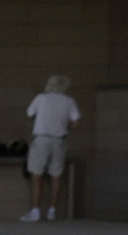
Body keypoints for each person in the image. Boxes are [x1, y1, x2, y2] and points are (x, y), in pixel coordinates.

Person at [21, 72, 82, 222]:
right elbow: (76, 122)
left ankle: (35, 210)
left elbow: (30, 114)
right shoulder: (69, 101)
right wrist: (64, 125)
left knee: (36, 174)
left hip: (42, 138)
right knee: (56, 174)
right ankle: (52, 210)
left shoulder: (41, 99)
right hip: (59, 139)